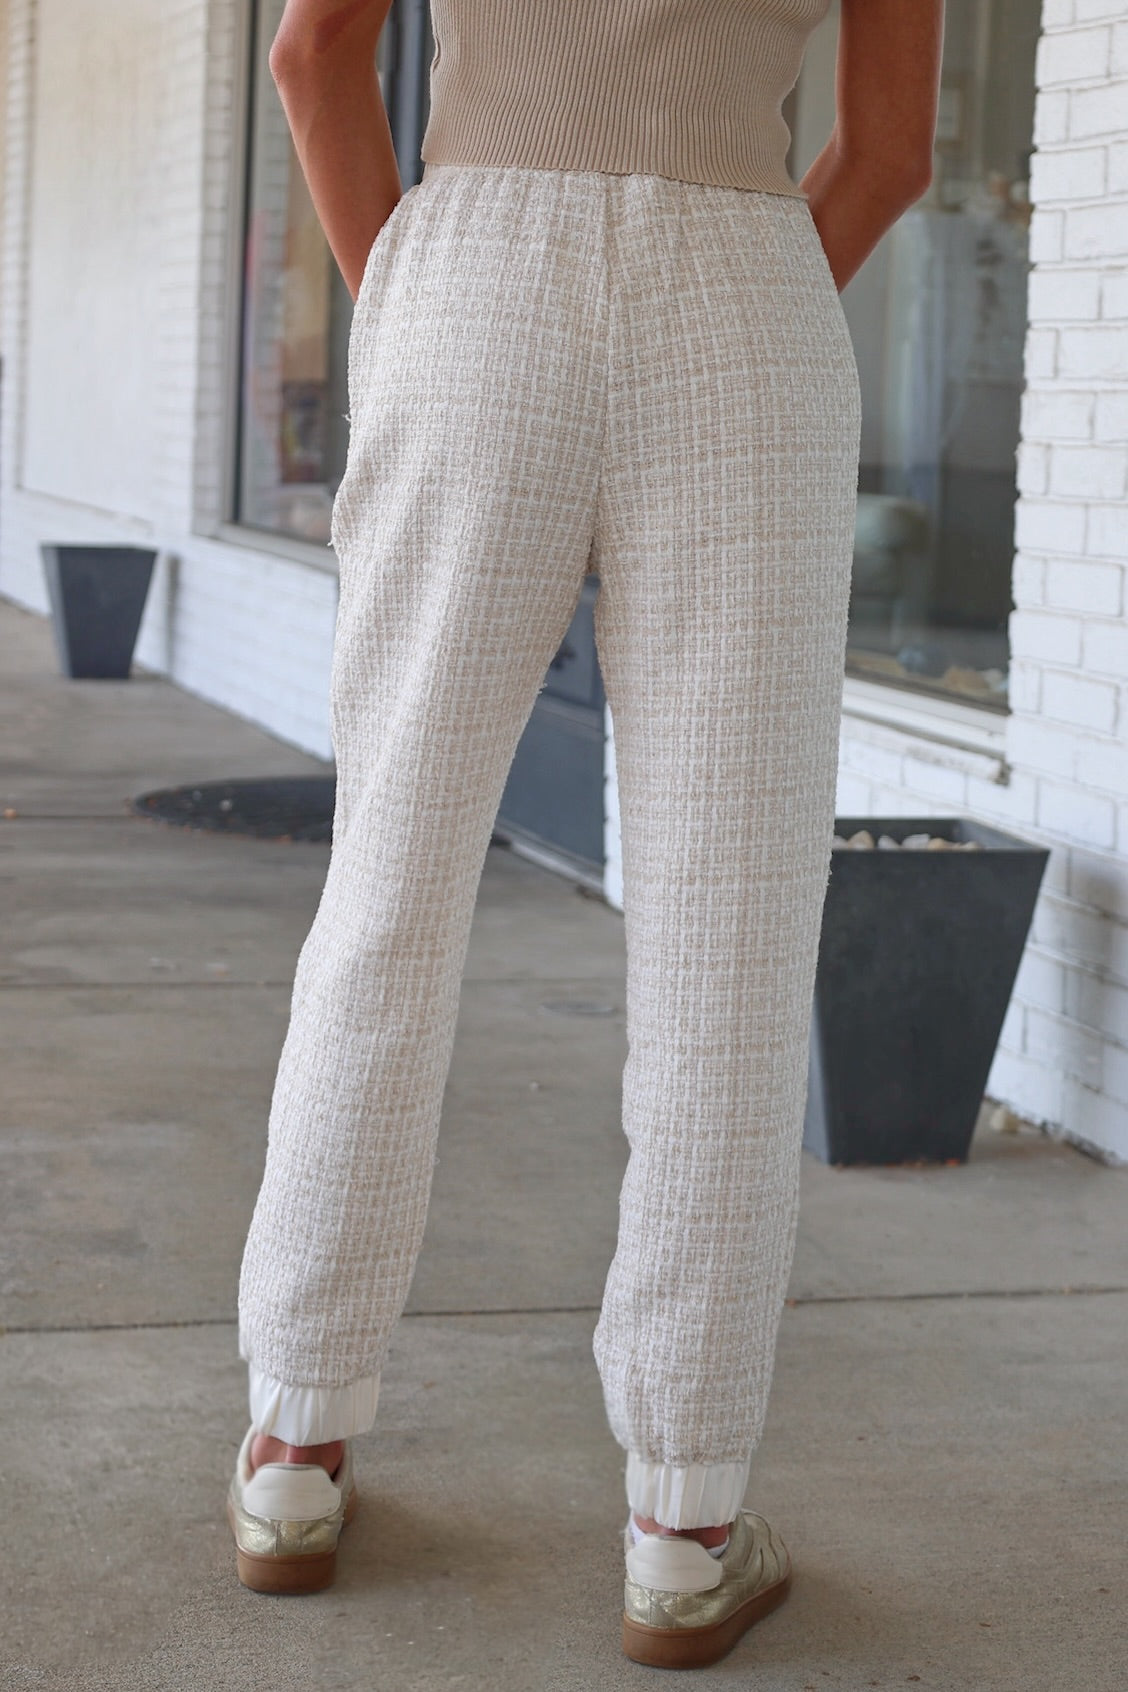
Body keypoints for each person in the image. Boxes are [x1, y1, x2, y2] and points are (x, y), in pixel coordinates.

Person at [228, 0, 943, 1668]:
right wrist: (733, 284)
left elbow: (314, 55)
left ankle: (294, 1447)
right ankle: (685, 1524)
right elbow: (891, 152)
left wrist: (421, 298)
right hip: (747, 301)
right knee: (729, 932)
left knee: (388, 884)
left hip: (473, 275)